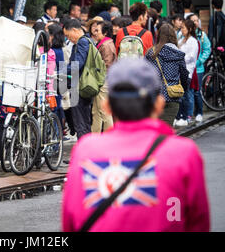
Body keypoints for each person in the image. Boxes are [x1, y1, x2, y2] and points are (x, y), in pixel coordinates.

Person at [62, 58, 210, 232]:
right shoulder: (183, 153)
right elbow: (198, 223)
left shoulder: (85, 150)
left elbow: (70, 222)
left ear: (107, 106)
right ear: (159, 104)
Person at [145, 23, 189, 126]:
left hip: (154, 97)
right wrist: (183, 89)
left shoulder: (151, 53)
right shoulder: (178, 54)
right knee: (166, 131)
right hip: (172, 96)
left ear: (159, 35)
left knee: (153, 130)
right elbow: (184, 75)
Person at [62, 19, 94, 139]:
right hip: (83, 85)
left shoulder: (82, 42)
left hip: (79, 86)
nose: (68, 39)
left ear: (75, 30)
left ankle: (83, 152)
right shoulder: (88, 40)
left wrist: (61, 71)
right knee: (84, 120)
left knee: (80, 121)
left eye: (68, 35)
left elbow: (78, 64)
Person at [91, 21, 116, 133]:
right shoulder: (106, 43)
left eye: (97, 30)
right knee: (97, 112)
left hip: (103, 81)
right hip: (103, 81)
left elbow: (107, 65)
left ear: (105, 32)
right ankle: (95, 137)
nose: (94, 33)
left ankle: (108, 138)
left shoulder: (105, 45)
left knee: (104, 112)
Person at [174, 19, 199, 127]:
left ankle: (185, 116)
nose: (182, 29)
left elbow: (191, 57)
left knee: (185, 96)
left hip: (187, 71)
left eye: (183, 27)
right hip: (180, 71)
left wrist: (179, 57)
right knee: (180, 95)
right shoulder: (182, 39)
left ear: (189, 29)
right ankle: (179, 116)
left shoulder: (193, 41)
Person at [187, 14, 212, 123]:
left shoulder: (202, 35)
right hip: (187, 68)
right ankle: (188, 114)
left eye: (197, 20)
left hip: (198, 69)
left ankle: (199, 112)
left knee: (197, 91)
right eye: (193, 21)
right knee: (188, 91)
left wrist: (200, 61)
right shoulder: (183, 34)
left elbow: (207, 49)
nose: (196, 22)